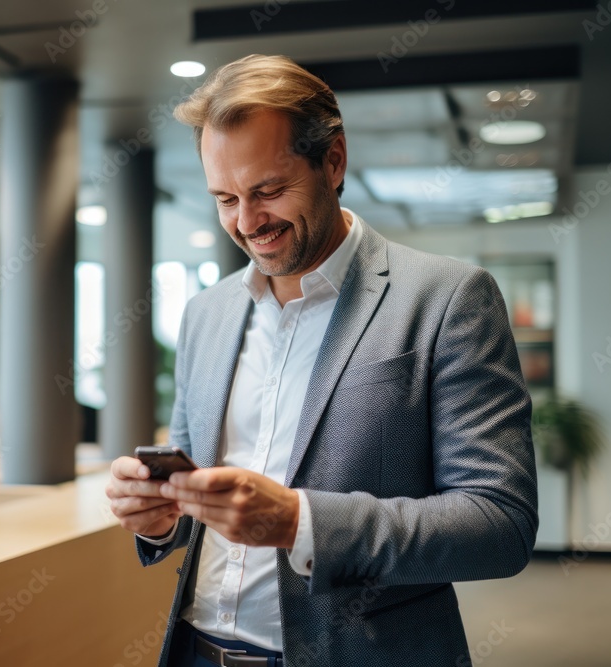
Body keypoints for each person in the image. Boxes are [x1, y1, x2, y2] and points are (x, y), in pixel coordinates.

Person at [105, 54, 538, 667]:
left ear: (333, 160)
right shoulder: (207, 313)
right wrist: (160, 517)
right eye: (225, 198)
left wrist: (300, 520)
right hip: (197, 650)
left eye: (269, 191)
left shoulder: (447, 299)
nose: (247, 222)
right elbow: (194, 486)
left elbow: (501, 524)